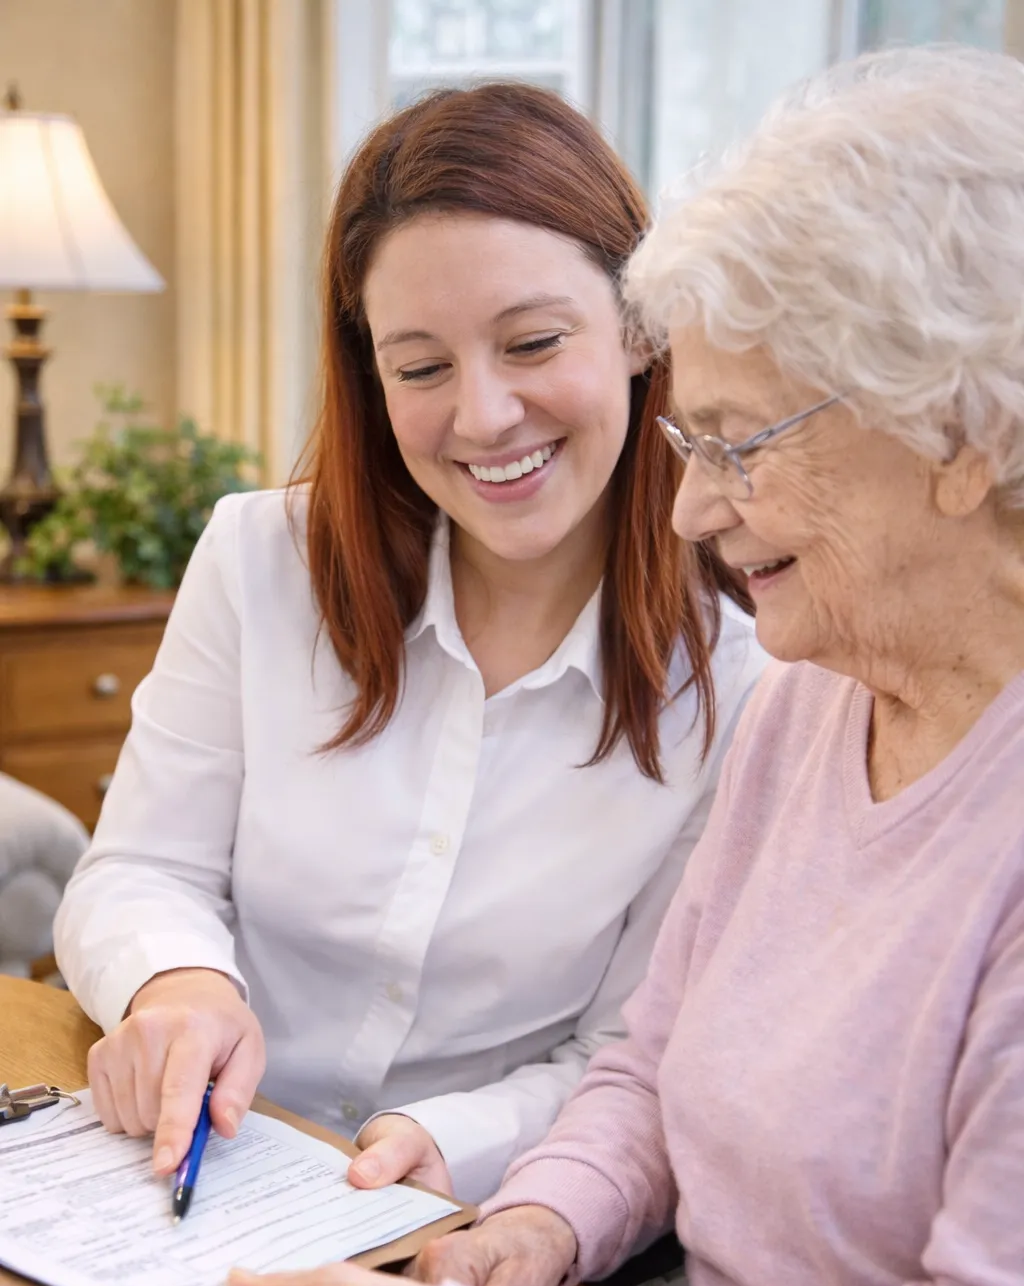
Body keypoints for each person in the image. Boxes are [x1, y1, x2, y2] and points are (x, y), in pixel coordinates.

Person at [202, 46, 1024, 1286]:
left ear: (962, 437)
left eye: (742, 445)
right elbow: (648, 1063)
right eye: (688, 441)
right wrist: (536, 1224)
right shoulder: (816, 708)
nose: (695, 505)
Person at [54, 83, 763, 1207]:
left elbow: (631, 1052)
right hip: (185, 1170)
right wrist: (178, 984)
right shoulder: (261, 559)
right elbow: (140, 868)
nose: (482, 417)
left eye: (531, 342)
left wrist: (446, 1141)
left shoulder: (741, 683)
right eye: (421, 367)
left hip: (468, 1213)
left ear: (639, 333)